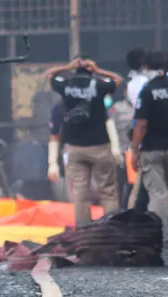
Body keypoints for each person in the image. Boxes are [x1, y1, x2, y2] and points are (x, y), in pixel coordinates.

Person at [45, 57, 123, 225]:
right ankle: (112, 228)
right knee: (107, 191)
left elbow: (49, 75)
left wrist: (67, 66)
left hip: (74, 148)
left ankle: (84, 230)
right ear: (90, 69)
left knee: (80, 193)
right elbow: (118, 80)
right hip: (100, 146)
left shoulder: (65, 86)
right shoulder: (99, 86)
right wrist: (98, 70)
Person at [131, 51, 168, 244]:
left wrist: (135, 150)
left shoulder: (147, 90)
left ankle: (161, 236)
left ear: (147, 66)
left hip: (152, 148)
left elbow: (141, 124)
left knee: (158, 194)